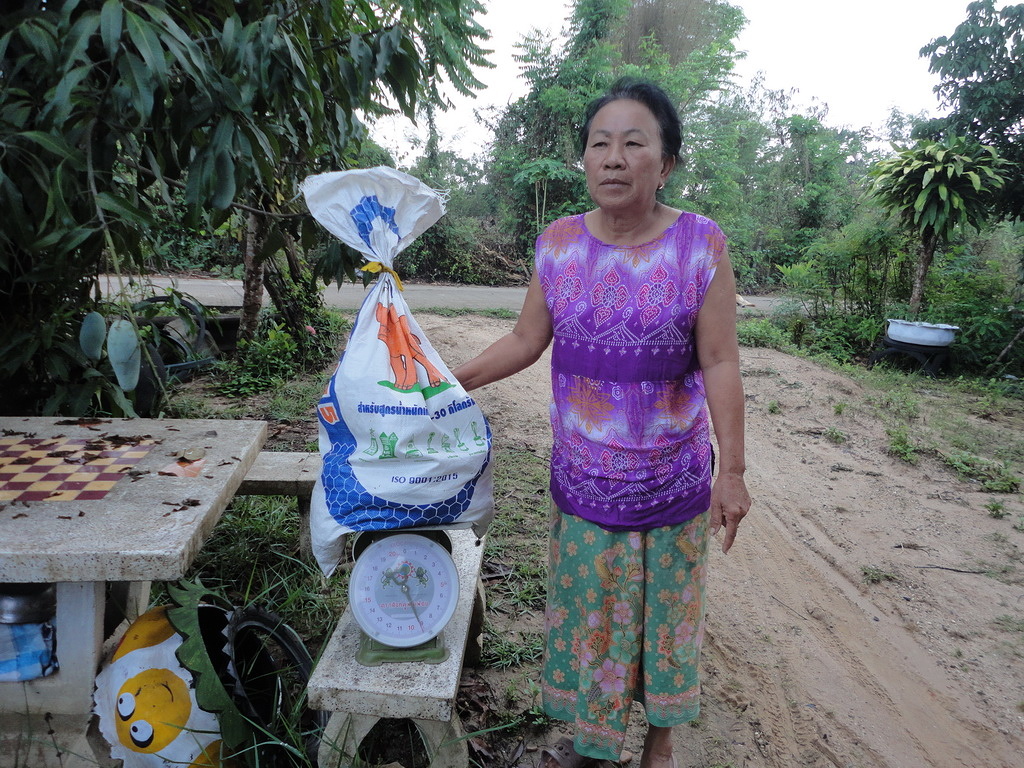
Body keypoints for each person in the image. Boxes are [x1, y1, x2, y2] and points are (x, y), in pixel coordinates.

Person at [452, 78, 751, 768]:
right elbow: (527, 340)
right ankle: (592, 747)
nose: (613, 157)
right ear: (584, 160)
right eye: (599, 143)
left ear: (666, 162)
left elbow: (721, 362)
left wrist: (731, 473)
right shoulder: (556, 246)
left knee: (664, 626)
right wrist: (448, 383)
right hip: (584, 486)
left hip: (673, 486)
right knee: (594, 623)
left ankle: (660, 746)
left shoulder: (699, 245)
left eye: (633, 143)